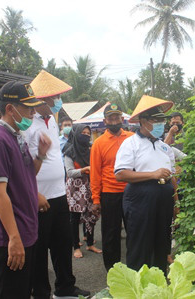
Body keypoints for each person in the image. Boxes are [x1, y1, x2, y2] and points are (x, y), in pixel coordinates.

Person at [0, 81, 51, 299]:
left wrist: (41, 154)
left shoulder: (16, 135)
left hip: (24, 229)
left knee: (21, 291)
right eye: (28, 108)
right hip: (10, 235)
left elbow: (28, 175)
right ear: (10, 109)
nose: (33, 112)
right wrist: (14, 238)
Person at [29, 70, 89, 299]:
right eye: (55, 97)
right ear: (41, 100)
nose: (58, 101)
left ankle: (65, 288)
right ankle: (41, 292)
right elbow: (23, 165)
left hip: (58, 194)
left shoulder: (51, 122)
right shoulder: (28, 126)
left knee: (62, 244)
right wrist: (33, 193)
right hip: (39, 197)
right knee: (39, 248)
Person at [115, 95, 176, 274]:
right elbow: (120, 174)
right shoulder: (130, 144)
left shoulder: (165, 147)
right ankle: (136, 285)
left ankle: (158, 282)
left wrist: (176, 201)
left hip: (164, 198)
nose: (160, 124)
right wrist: (152, 174)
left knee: (161, 242)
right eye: (155, 120)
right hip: (140, 198)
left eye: (161, 120)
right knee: (140, 243)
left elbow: (172, 176)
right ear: (142, 121)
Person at [90, 103, 133, 271]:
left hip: (132, 192)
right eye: (111, 118)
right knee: (110, 236)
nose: (114, 121)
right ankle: (113, 271)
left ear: (122, 119)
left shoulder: (131, 138)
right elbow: (95, 173)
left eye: (117, 117)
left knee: (134, 231)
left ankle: (134, 267)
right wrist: (95, 199)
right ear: (105, 120)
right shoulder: (98, 144)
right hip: (109, 194)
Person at [64, 125, 102, 258]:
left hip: (91, 186)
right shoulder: (69, 151)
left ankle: (90, 243)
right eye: (83, 133)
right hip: (75, 189)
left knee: (91, 215)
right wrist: (83, 169)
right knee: (74, 218)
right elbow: (69, 172)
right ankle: (76, 246)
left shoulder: (91, 150)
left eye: (88, 133)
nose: (85, 135)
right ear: (76, 134)